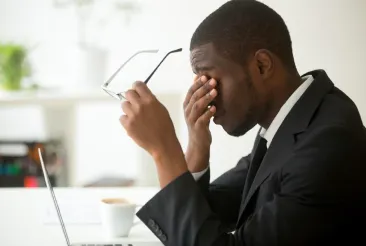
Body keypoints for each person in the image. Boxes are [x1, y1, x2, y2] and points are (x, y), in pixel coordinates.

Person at [119, 0, 366, 245]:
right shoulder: (292, 121)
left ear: (262, 65)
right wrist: (197, 145)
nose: (207, 98)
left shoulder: (327, 144)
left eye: (211, 78)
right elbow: (210, 215)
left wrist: (164, 150)